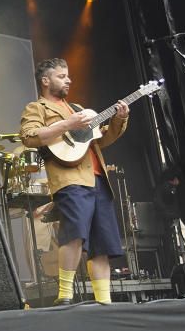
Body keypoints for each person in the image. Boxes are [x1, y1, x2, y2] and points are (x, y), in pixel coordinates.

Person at [20, 58, 129, 305]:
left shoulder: (78, 107)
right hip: (69, 179)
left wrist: (119, 120)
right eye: (61, 76)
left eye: (68, 75)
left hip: (98, 177)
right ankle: (65, 296)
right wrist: (68, 124)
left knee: (101, 242)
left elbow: (100, 140)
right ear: (45, 81)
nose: (68, 79)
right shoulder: (37, 108)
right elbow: (29, 136)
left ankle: (105, 301)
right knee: (75, 234)